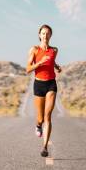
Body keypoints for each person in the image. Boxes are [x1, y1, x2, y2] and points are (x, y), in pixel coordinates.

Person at [26, 24, 62, 157]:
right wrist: (40, 63)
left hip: (51, 84)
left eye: (47, 33)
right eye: (43, 33)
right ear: (39, 35)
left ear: (51, 35)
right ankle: (38, 124)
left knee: (48, 116)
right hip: (39, 84)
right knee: (40, 117)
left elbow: (52, 62)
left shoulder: (55, 50)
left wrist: (57, 67)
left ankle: (45, 147)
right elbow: (28, 69)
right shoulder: (34, 50)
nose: (45, 35)